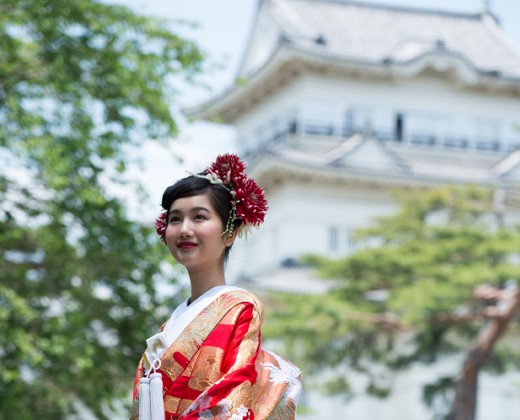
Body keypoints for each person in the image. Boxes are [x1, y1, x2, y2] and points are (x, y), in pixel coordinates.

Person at [130, 154, 302, 420]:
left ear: (230, 233)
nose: (184, 229)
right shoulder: (169, 325)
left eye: (199, 217)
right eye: (175, 219)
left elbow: (232, 396)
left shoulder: (239, 307)